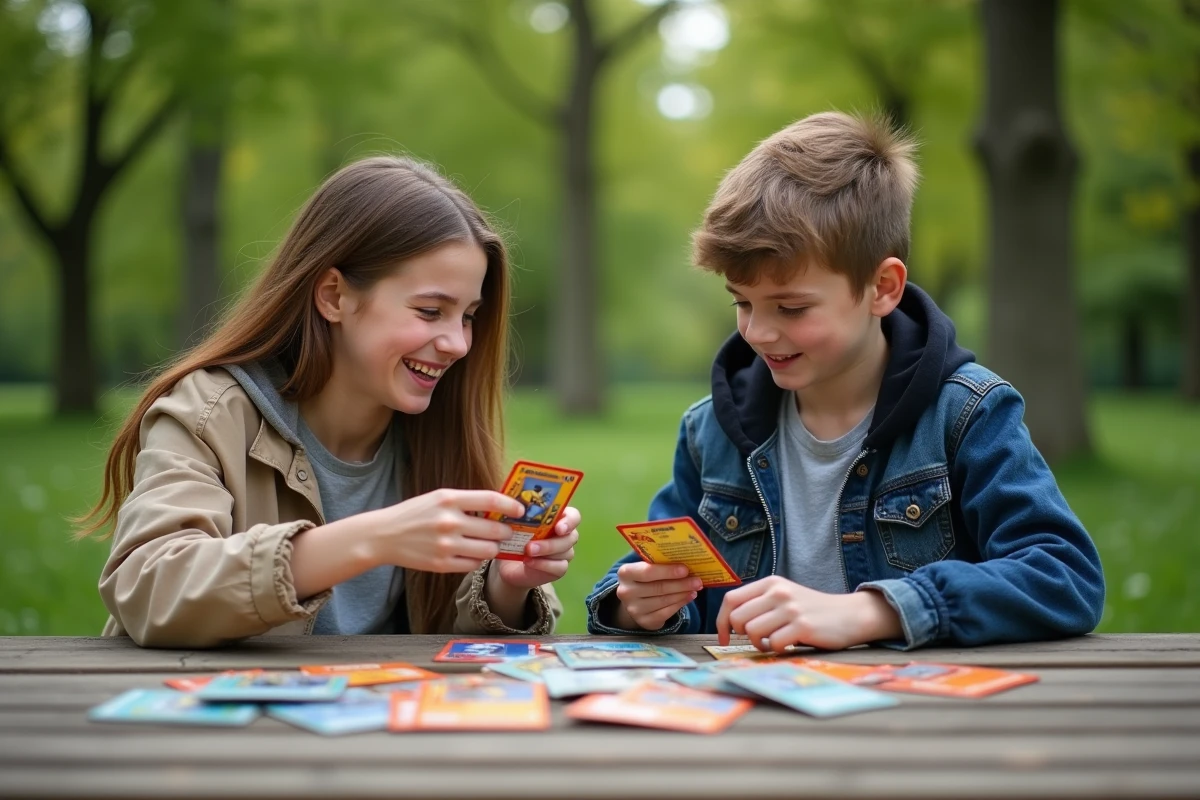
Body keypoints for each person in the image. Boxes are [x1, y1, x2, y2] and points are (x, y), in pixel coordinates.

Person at [585, 112, 1104, 651]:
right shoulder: (712, 428)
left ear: (882, 287)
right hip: (749, 723)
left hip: (913, 720)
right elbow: (667, 583)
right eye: (742, 302)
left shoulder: (966, 413)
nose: (758, 332)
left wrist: (874, 610)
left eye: (791, 307)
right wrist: (637, 604)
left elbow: (1064, 576)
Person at [80, 156, 579, 648]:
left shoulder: (439, 429)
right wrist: (371, 539)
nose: (458, 344)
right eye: (430, 311)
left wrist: (506, 584)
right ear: (334, 296)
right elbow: (148, 587)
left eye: (468, 316)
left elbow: (456, 645)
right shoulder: (209, 412)